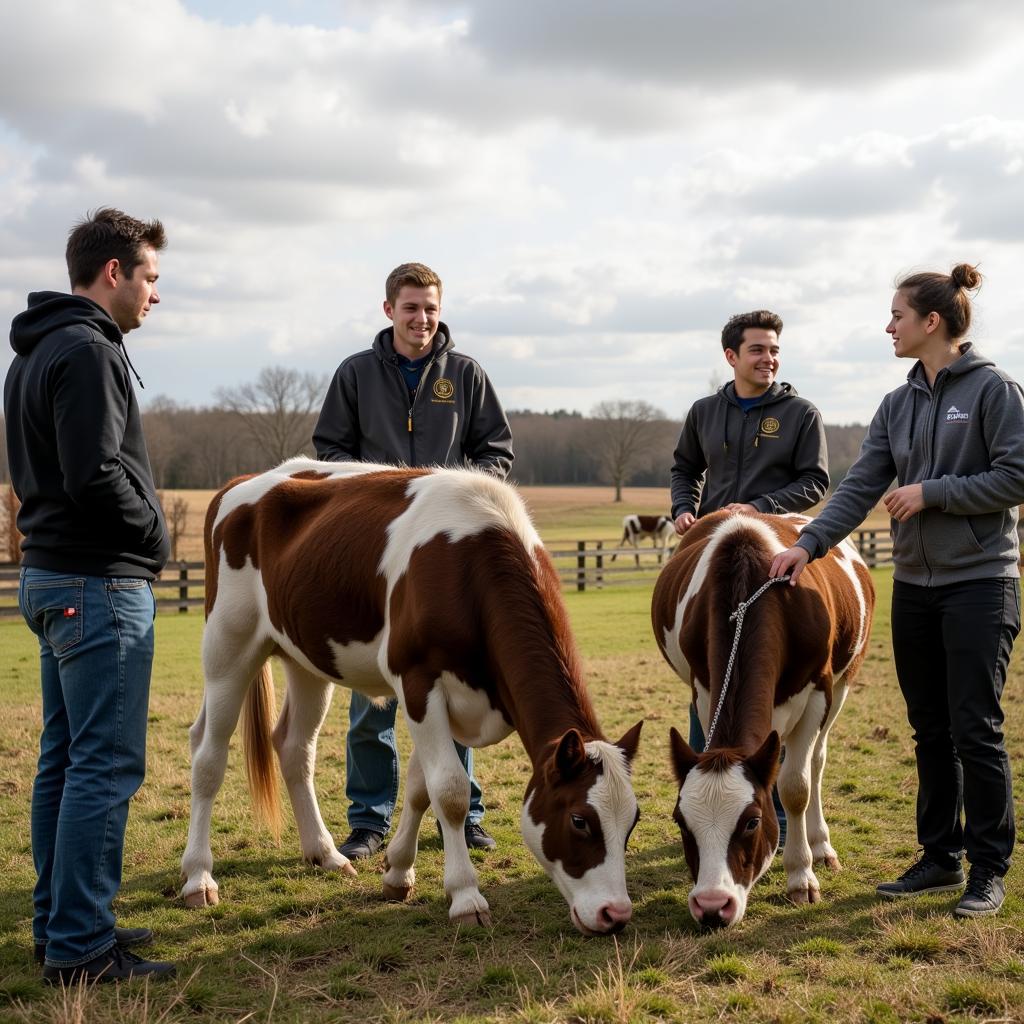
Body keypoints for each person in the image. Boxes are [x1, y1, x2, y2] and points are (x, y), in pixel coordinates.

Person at [770, 264, 1024, 918]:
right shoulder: (897, 404)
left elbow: (1016, 476)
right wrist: (807, 545)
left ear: (930, 322)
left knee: (976, 728)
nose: (889, 326)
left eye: (897, 316)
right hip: (914, 586)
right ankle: (939, 857)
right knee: (929, 729)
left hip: (980, 584)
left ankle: (987, 868)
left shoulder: (995, 391)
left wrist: (932, 492)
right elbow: (858, 487)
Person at [4, 208, 176, 983]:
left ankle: (63, 925)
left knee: (65, 761)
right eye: (150, 279)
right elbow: (95, 473)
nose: (154, 296)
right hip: (97, 582)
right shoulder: (87, 351)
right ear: (115, 273)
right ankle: (80, 948)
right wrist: (156, 539)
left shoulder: (35, 352)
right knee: (104, 765)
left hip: (50, 577)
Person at [313, 262, 513, 861]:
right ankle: (369, 820)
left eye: (430, 308)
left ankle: (468, 811)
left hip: (443, 554)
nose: (421, 319)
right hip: (376, 551)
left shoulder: (467, 375)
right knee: (373, 692)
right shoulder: (354, 374)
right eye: (410, 308)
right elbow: (330, 453)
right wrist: (381, 492)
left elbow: (496, 452)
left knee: (453, 684)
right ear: (388, 311)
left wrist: (454, 494)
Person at [670, 309, 829, 843]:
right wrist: (682, 508)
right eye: (758, 349)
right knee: (709, 677)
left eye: (775, 349)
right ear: (731, 357)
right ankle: (705, 805)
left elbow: (816, 481)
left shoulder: (800, 413)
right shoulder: (703, 412)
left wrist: (759, 508)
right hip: (716, 555)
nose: (769, 358)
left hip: (775, 559)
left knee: (771, 685)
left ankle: (775, 814)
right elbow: (684, 468)